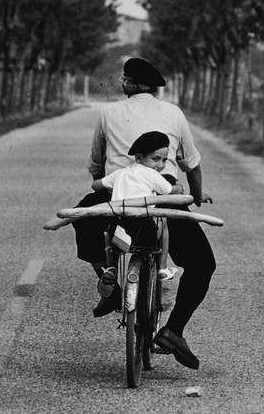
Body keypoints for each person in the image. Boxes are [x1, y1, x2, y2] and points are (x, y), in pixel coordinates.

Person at [73, 57, 216, 370]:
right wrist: (196, 194)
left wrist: (109, 181)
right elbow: (191, 163)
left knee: (82, 221)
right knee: (203, 264)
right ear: (154, 88)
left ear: (127, 83)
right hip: (162, 201)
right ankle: (174, 331)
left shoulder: (109, 113)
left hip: (118, 199)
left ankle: (109, 283)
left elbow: (96, 165)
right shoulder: (173, 113)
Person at [91, 131, 183, 295]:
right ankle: (162, 267)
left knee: (110, 231)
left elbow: (96, 185)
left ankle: (111, 267)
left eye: (164, 160)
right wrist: (179, 188)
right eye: (156, 159)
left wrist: (110, 185)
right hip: (145, 226)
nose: (160, 165)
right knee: (163, 220)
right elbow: (168, 191)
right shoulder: (152, 175)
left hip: (120, 226)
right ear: (139, 157)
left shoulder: (121, 173)